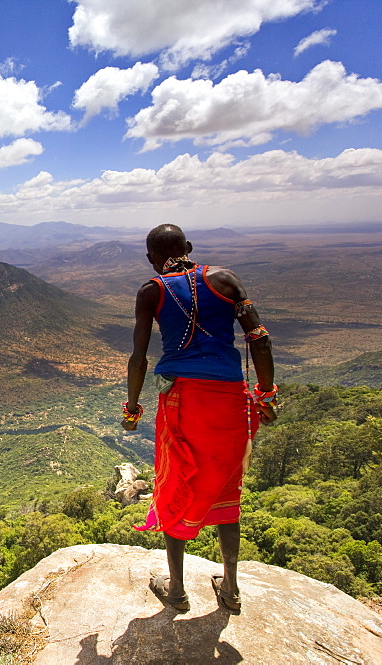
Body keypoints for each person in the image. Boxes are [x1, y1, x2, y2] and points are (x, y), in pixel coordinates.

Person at [122, 224, 276, 614]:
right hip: (230, 401)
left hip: (183, 400)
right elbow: (258, 336)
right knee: (227, 484)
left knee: (176, 483)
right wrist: (267, 393)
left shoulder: (152, 291)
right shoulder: (226, 281)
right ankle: (231, 588)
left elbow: (138, 356)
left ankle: (176, 589)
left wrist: (132, 407)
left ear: (151, 259)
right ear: (188, 248)